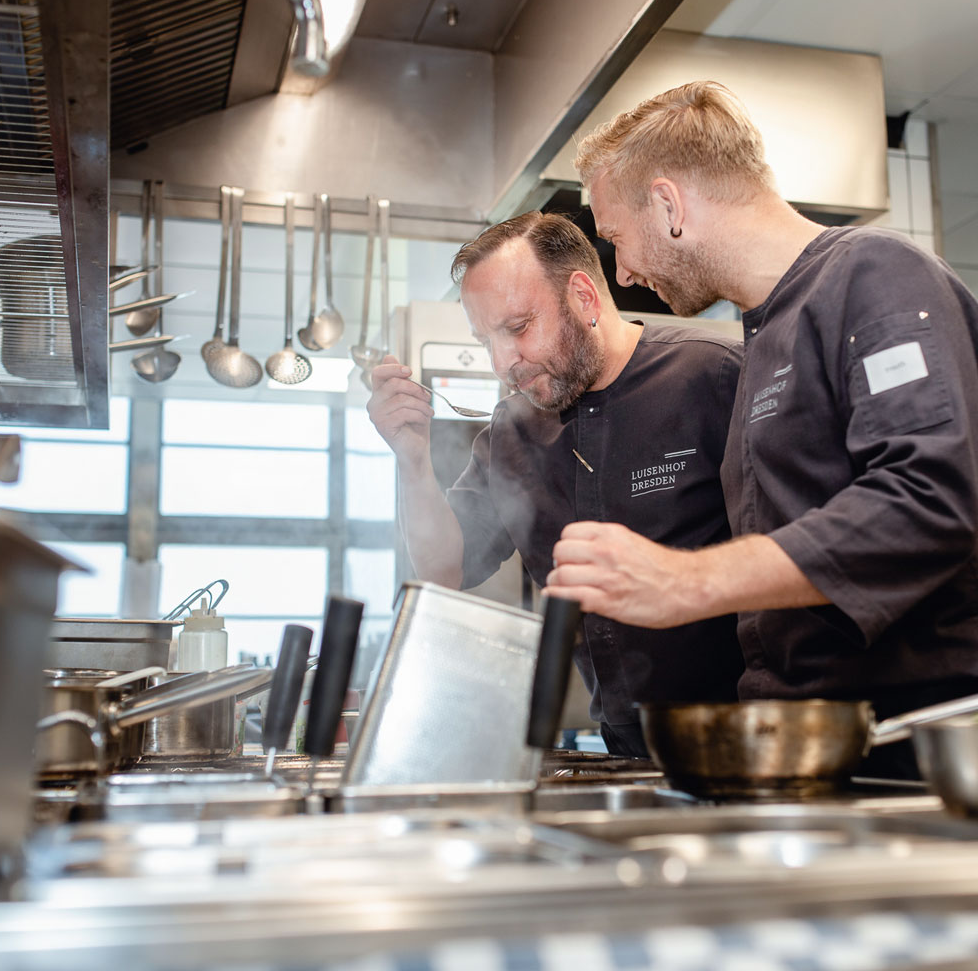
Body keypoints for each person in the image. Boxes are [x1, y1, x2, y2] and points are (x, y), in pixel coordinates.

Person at [545, 80, 978, 777]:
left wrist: (689, 581)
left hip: (909, 742)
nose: (622, 270)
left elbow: (927, 502)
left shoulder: (876, 275)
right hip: (809, 739)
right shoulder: (761, 336)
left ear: (668, 205)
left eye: (618, 240)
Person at [367, 211, 745, 757]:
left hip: (752, 740)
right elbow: (443, 570)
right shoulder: (512, 433)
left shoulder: (713, 379)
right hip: (626, 751)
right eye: (485, 339)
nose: (502, 363)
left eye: (518, 328)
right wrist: (412, 461)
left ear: (584, 297)